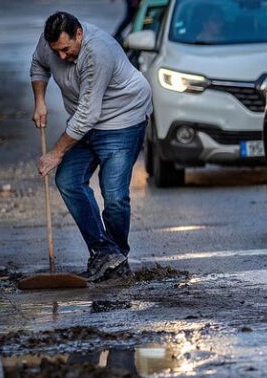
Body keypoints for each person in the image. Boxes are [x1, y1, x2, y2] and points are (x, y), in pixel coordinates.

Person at [30, 12, 153, 282]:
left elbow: (87, 114)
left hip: (123, 118)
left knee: (114, 196)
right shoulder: (49, 44)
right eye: (56, 51)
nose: (61, 57)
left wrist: (55, 153)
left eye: (66, 49)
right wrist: (39, 100)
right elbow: (39, 65)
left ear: (79, 34)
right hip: (85, 123)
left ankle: (117, 259)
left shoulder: (98, 52)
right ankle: (104, 253)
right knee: (68, 180)